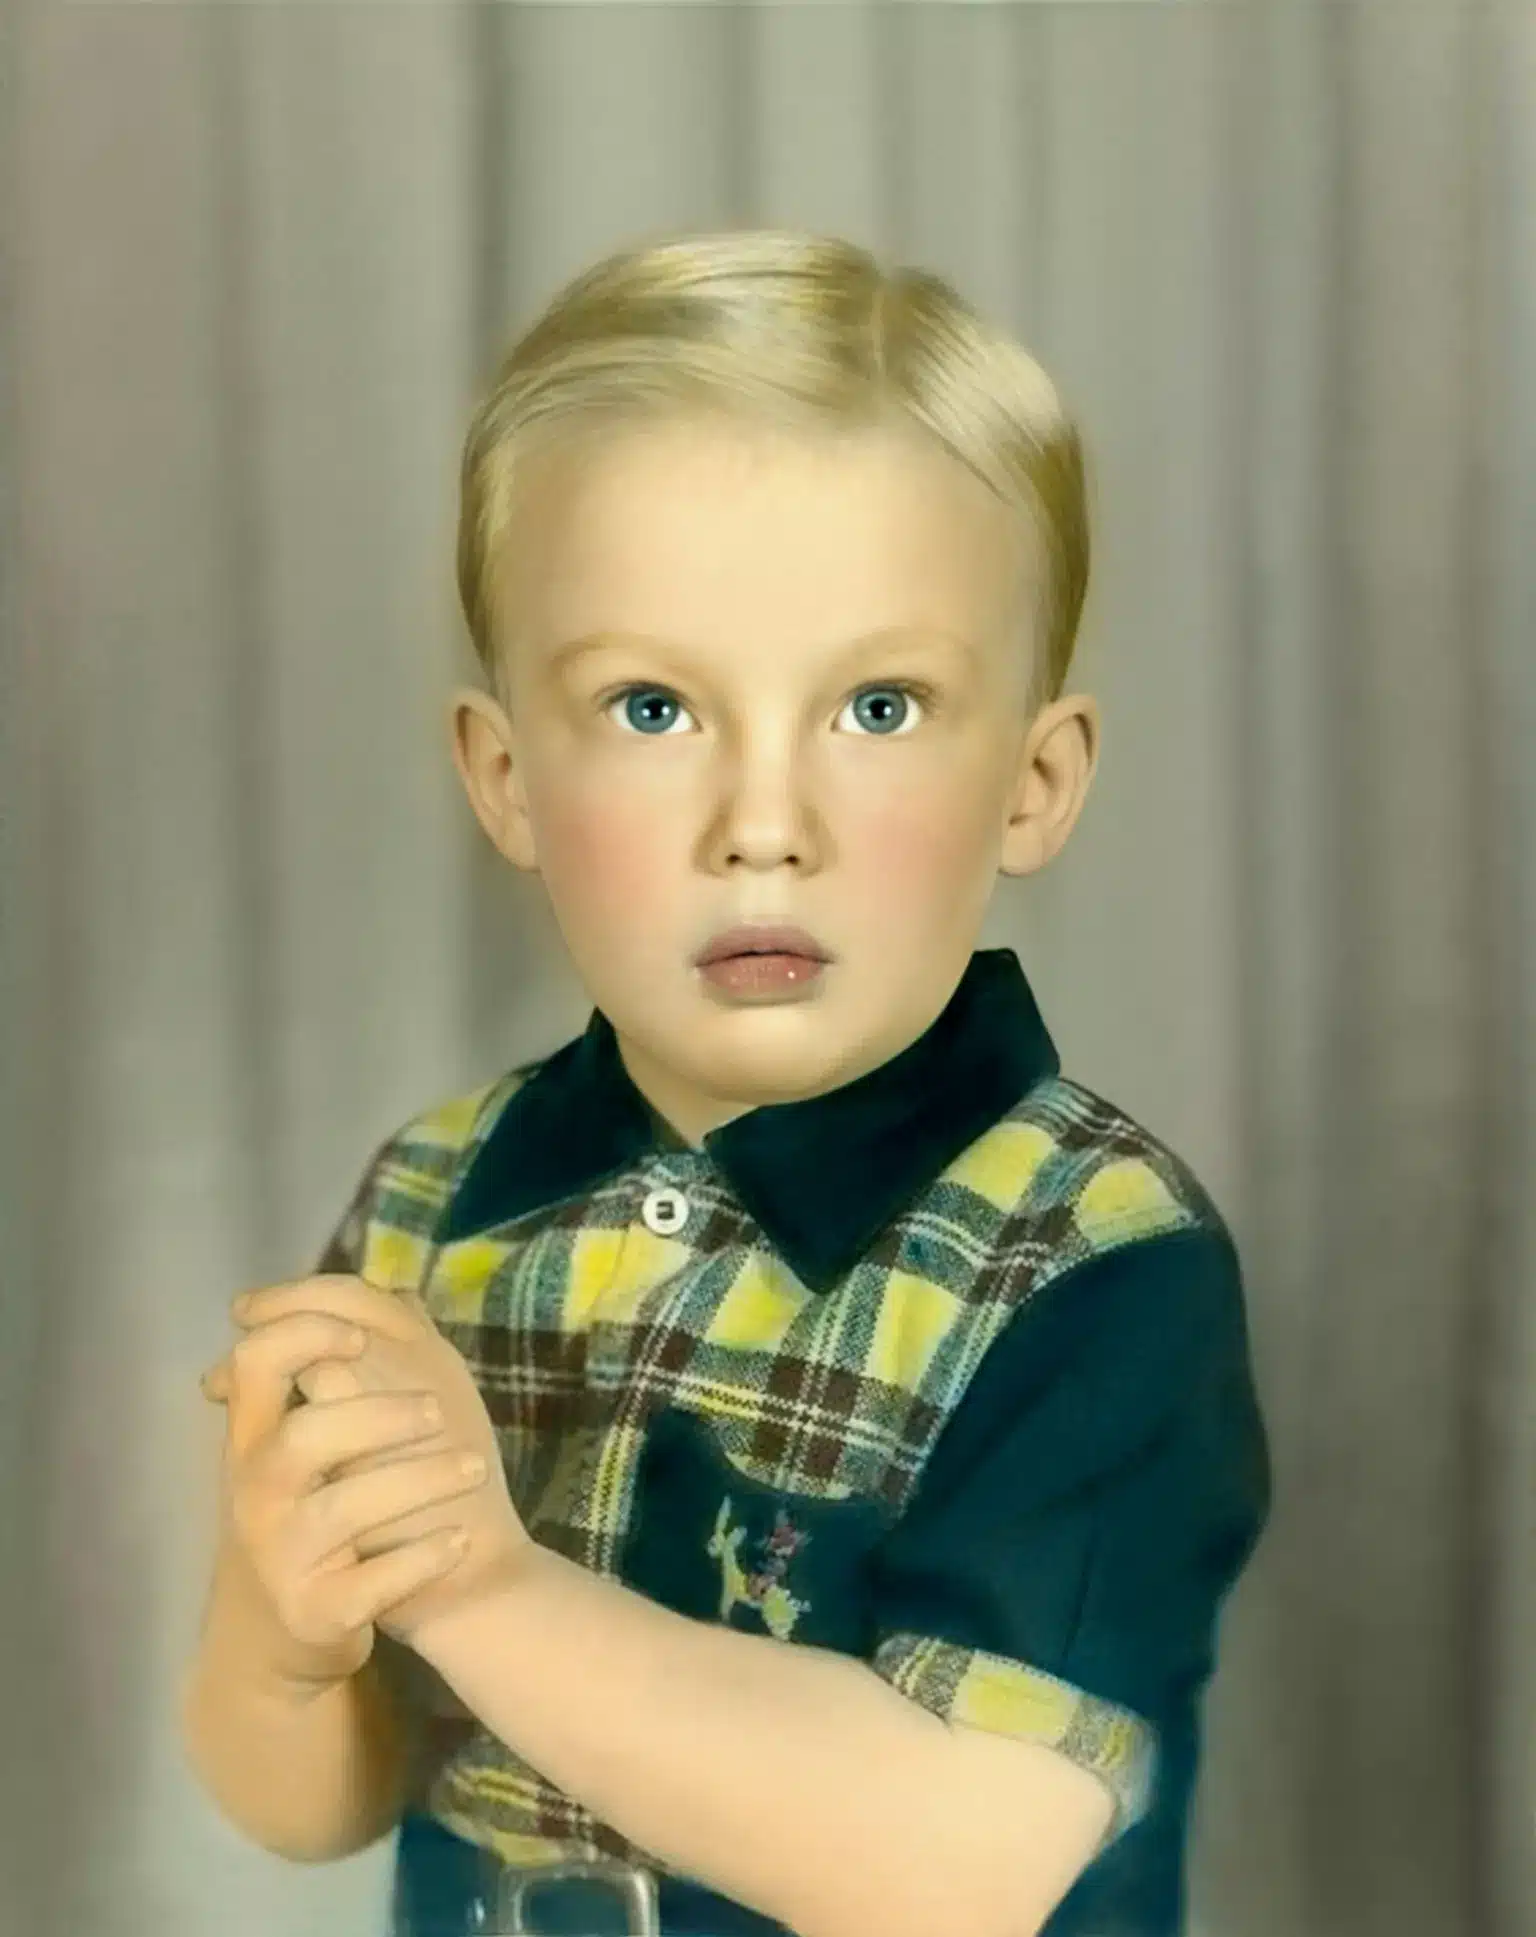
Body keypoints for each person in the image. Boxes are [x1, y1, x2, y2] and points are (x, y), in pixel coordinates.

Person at [180, 229, 1271, 1937]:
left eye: (880, 708)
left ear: (1035, 781)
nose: (765, 823)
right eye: (651, 709)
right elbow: (310, 1802)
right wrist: (286, 1634)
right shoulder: (429, 1201)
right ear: (506, 777)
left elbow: (956, 1868)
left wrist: (472, 1577)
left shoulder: (1096, 1265)